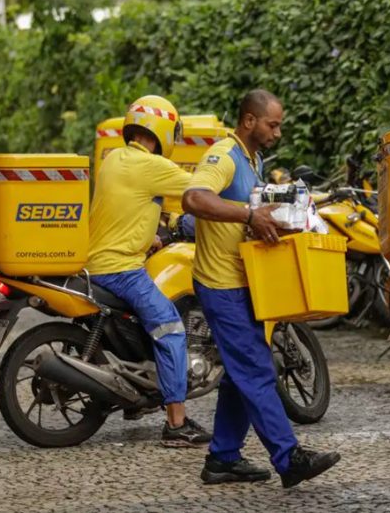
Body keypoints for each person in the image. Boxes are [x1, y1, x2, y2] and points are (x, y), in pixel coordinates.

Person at [182, 89, 340, 488]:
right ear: (249, 121)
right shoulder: (224, 156)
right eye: (273, 124)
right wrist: (249, 214)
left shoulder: (254, 160)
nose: (278, 131)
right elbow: (194, 198)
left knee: (240, 373)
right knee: (255, 368)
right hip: (220, 284)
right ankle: (289, 459)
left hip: (244, 280)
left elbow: (251, 214)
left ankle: (222, 458)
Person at [86, 95, 212, 447]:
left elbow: (127, 208)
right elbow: (201, 191)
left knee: (146, 324)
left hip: (97, 262)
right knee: (171, 329)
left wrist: (151, 238)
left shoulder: (114, 160)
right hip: (121, 269)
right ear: (163, 129)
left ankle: (137, 399)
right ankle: (176, 424)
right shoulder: (150, 166)